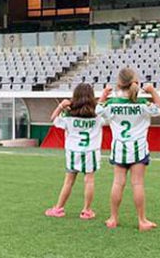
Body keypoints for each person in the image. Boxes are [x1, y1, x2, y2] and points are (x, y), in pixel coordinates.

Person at [96, 68, 160, 231]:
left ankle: (113, 218)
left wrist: (104, 94)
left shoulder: (112, 104)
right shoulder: (142, 104)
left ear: (118, 84)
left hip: (119, 148)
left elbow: (98, 110)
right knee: (138, 184)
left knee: (117, 183)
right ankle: (141, 220)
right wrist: (153, 91)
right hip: (138, 149)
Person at [45, 83, 103, 220]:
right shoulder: (97, 115)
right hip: (91, 151)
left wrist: (61, 106)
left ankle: (59, 208)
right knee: (89, 180)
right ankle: (86, 210)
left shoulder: (69, 116)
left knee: (69, 181)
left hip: (73, 151)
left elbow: (53, 119)